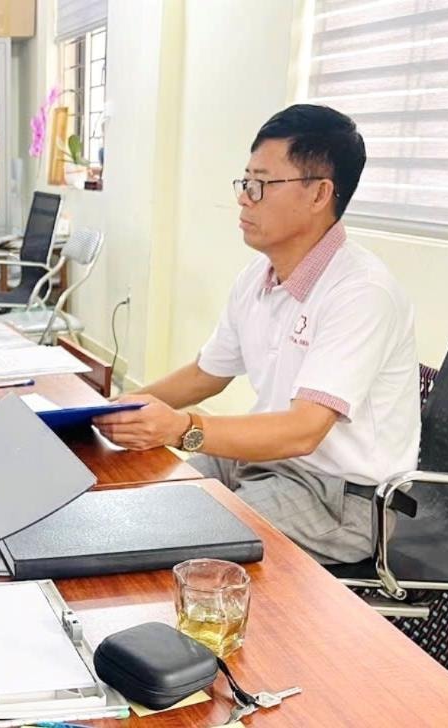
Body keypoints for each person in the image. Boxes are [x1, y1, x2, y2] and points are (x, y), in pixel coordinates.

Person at [94, 104, 420, 565]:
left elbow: (304, 431)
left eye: (260, 184)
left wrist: (181, 428)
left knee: (164, 541)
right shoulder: (258, 274)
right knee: (131, 502)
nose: (244, 198)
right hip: (264, 462)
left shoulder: (362, 292)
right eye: (245, 182)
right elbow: (208, 374)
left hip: (339, 500)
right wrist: (114, 410)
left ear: (318, 194)